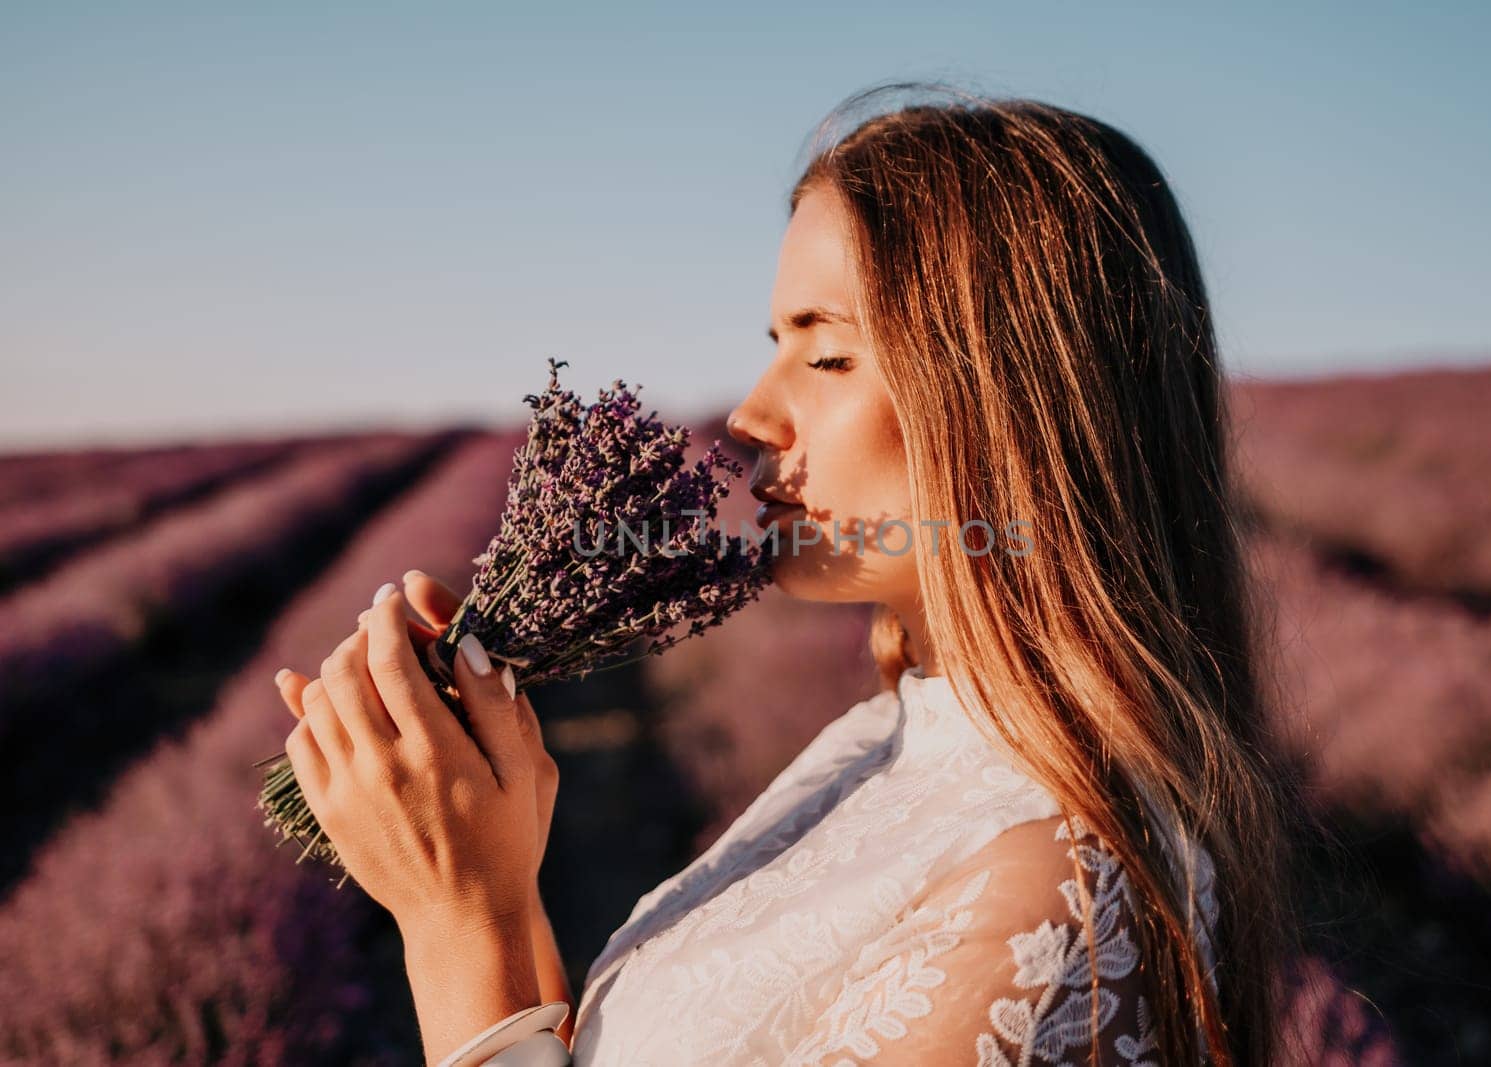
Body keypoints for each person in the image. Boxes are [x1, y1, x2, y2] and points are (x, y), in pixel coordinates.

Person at [273, 83, 1306, 1066]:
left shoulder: (1059, 888)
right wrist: (490, 860)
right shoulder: (889, 739)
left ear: (1014, 396)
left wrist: (461, 919)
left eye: (826, 355)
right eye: (775, 341)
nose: (748, 415)